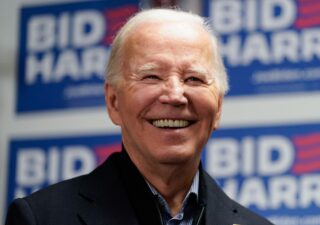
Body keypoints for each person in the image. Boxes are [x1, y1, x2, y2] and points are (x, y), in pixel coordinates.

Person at [5, 8, 273, 225]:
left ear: (218, 107)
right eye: (151, 76)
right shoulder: (41, 218)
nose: (175, 95)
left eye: (194, 78)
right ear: (113, 102)